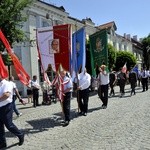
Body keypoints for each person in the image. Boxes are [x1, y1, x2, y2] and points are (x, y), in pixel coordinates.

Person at [0, 75, 24, 149]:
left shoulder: (7, 83)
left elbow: (6, 95)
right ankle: (2, 143)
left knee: (9, 125)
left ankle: (20, 135)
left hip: (6, 107)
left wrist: (20, 98)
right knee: (0, 127)